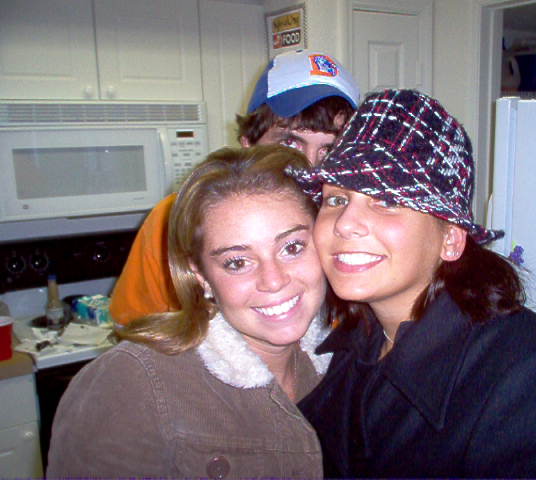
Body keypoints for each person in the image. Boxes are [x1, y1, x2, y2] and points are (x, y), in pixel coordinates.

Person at [289, 89, 536, 478]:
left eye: (386, 201)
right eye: (336, 200)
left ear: (450, 239)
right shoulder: (352, 340)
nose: (346, 223)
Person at [47, 145, 332, 478]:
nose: (273, 280)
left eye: (292, 247)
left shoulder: (342, 365)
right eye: (237, 262)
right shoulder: (131, 382)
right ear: (201, 276)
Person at [110, 49, 359, 325]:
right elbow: (135, 328)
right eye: (289, 144)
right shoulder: (174, 219)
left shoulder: (357, 227)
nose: (309, 168)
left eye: (330, 150)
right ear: (248, 145)